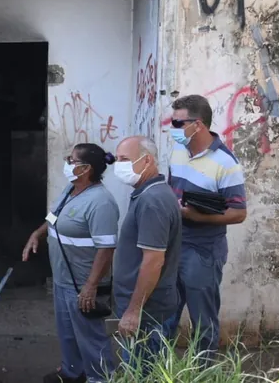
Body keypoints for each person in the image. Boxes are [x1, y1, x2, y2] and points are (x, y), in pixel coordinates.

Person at [22, 144, 119, 383]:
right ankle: (72, 372)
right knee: (68, 332)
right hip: (63, 278)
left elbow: (106, 249)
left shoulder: (101, 202)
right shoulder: (71, 189)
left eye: (71, 160)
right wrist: (37, 233)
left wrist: (91, 286)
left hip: (83, 283)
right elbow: (54, 217)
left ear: (85, 169)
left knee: (90, 336)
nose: (66, 163)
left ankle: (100, 378)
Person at [163, 95, 247, 361]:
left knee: (203, 322)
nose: (173, 128)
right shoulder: (178, 150)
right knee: (165, 313)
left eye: (178, 123)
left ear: (197, 124)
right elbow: (170, 186)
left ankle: (203, 373)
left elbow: (239, 213)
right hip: (173, 244)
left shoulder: (226, 163)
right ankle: (159, 370)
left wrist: (199, 217)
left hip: (203, 252)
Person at [112, 136, 181, 370]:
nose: (117, 165)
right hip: (147, 310)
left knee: (144, 371)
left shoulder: (153, 200)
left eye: (124, 159)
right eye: (116, 159)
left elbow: (153, 261)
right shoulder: (147, 193)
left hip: (149, 313)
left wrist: (133, 311)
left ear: (147, 160)